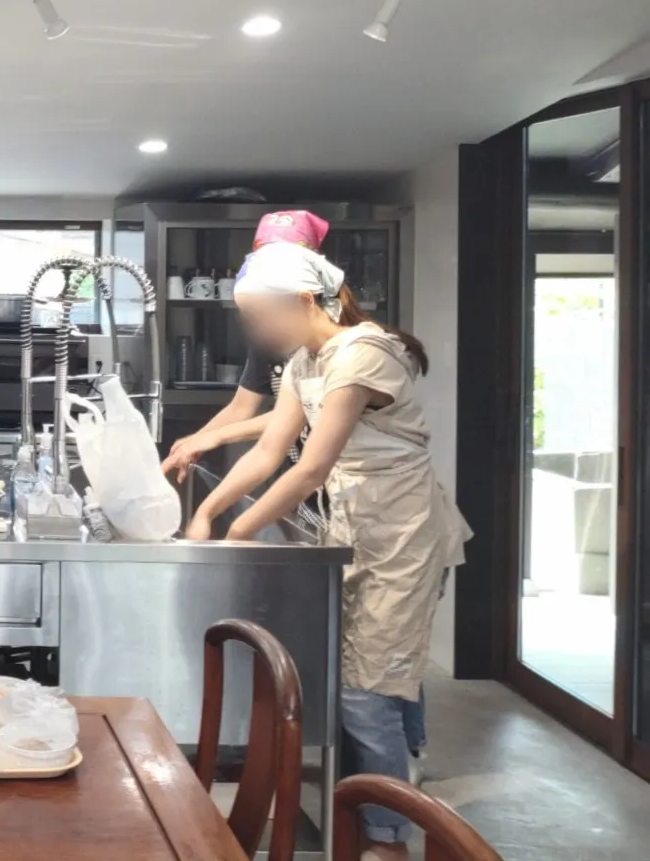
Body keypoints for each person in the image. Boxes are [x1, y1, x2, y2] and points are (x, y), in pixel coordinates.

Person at [171, 241, 468, 861]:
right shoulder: (306, 360)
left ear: (306, 300)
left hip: (403, 537)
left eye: (261, 316)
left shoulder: (364, 354)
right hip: (354, 533)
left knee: (366, 688)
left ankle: (388, 837)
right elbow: (267, 450)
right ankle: (392, 783)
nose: (257, 331)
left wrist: (237, 535)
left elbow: (310, 468)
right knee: (372, 677)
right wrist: (205, 514)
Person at [162, 209, 331, 475]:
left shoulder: (337, 340)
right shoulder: (270, 336)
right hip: (304, 477)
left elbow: (300, 415)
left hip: (342, 479)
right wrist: (193, 443)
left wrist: (214, 437)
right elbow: (242, 407)